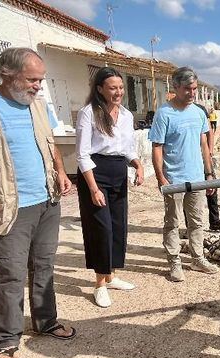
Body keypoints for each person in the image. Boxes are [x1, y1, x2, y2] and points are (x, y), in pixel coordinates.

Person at [0, 47, 76, 358]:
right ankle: (7, 339)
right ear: (8, 76)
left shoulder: (38, 106)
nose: (39, 86)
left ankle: (45, 321)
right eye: (32, 79)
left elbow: (50, 143)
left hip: (47, 201)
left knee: (44, 266)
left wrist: (62, 173)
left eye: (41, 79)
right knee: (10, 274)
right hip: (8, 208)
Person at [75, 67, 145, 308]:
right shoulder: (89, 113)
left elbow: (128, 149)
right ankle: (99, 284)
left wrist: (138, 165)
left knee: (117, 226)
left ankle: (112, 275)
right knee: (101, 229)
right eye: (113, 88)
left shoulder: (126, 115)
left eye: (121, 87)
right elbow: (82, 154)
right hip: (95, 174)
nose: (118, 92)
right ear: (100, 89)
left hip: (118, 172)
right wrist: (93, 188)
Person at [150, 67, 220, 282]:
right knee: (172, 221)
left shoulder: (199, 112)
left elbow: (204, 145)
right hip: (174, 179)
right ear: (176, 88)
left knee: (197, 221)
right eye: (188, 89)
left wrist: (209, 174)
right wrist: (161, 177)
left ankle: (197, 258)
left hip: (197, 177)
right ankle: (174, 261)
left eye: (195, 89)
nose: (192, 93)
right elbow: (157, 147)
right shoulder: (164, 113)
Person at [195, 102, 220, 233]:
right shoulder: (180, 111)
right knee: (190, 192)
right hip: (190, 161)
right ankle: (190, 226)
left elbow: (209, 131)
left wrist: (209, 152)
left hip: (204, 158)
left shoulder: (200, 110)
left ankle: (214, 222)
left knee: (213, 190)